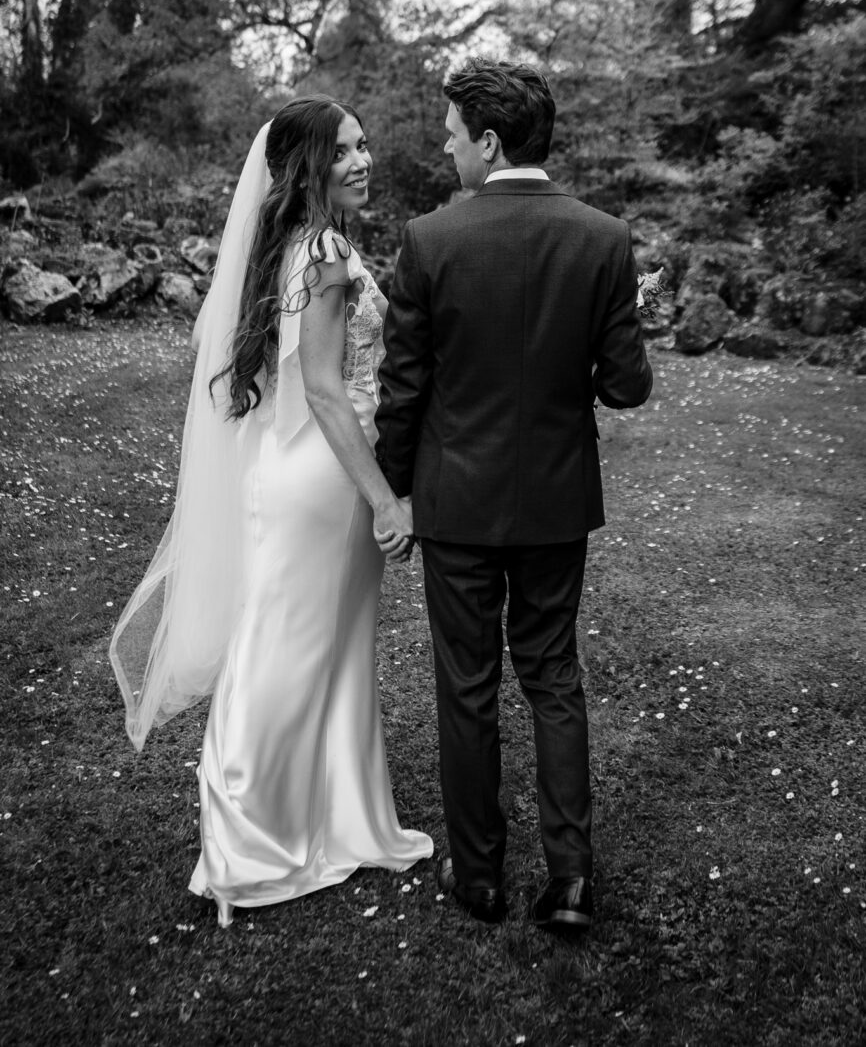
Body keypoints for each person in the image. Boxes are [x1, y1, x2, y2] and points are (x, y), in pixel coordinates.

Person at [110, 97, 432, 928]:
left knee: (333, 652)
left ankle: (343, 820)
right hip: (324, 478)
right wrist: (385, 498)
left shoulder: (299, 244)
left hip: (302, 471)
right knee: (284, 654)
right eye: (346, 152)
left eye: (365, 147)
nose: (363, 162)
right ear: (309, 167)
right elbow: (325, 391)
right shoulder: (323, 250)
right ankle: (244, 849)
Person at [374, 59, 653, 930]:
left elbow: (403, 390)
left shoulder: (429, 241)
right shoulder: (605, 239)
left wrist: (395, 493)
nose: (446, 147)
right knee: (553, 675)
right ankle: (571, 879)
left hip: (455, 502)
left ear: (490, 142)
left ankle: (481, 876)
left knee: (467, 685)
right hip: (555, 505)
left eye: (453, 133)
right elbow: (626, 387)